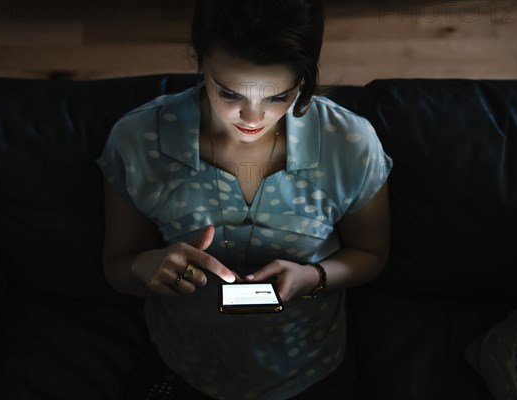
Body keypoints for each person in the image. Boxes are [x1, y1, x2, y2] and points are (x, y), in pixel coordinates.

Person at [96, 0, 392, 398]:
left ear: (305, 77)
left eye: (278, 97)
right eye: (229, 92)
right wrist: (144, 267)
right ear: (200, 62)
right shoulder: (137, 142)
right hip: (183, 363)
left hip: (312, 367)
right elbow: (116, 267)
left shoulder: (350, 144)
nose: (252, 118)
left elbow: (371, 254)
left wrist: (313, 278)